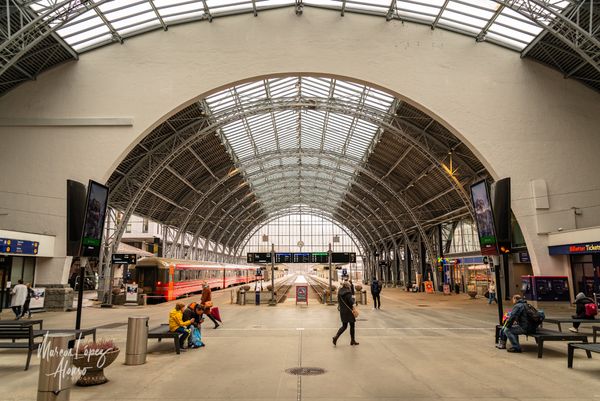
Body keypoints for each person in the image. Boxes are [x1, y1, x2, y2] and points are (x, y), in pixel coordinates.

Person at [332, 281, 359, 346]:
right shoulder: (348, 293)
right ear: (348, 286)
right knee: (352, 326)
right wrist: (353, 299)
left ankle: (336, 337)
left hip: (343, 311)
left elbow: (339, 302)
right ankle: (352, 340)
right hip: (349, 311)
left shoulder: (339, 292)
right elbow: (351, 302)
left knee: (344, 326)